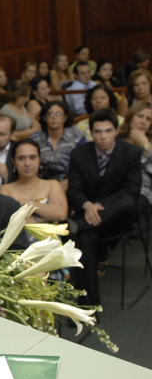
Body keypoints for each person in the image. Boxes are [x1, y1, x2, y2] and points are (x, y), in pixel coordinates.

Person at [68, 108, 142, 307]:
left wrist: (100, 206)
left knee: (129, 202)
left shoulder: (131, 152)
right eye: (98, 131)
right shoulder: (79, 154)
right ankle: (88, 306)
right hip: (89, 214)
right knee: (86, 238)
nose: (103, 136)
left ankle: (78, 227)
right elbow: (74, 189)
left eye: (108, 131)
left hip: (116, 216)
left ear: (116, 131)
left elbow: (132, 190)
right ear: (91, 132)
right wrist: (87, 205)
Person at [0, 139, 68, 223]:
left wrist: (27, 203)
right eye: (21, 158)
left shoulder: (52, 185)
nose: (27, 163)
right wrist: (43, 217)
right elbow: (4, 220)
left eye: (32, 157)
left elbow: (61, 214)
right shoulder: (6, 189)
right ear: (14, 162)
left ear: (40, 159)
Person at [31, 100, 85, 189]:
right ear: (45, 118)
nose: (54, 117)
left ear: (65, 117)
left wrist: (69, 182)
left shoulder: (77, 136)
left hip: (72, 183)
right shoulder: (35, 138)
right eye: (51, 114)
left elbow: (84, 164)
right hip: (42, 184)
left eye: (58, 114)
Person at [117, 102, 152, 212]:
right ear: (130, 118)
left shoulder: (150, 145)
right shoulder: (116, 141)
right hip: (116, 190)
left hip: (142, 193)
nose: (143, 122)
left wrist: (146, 146)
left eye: (148, 119)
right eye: (140, 116)